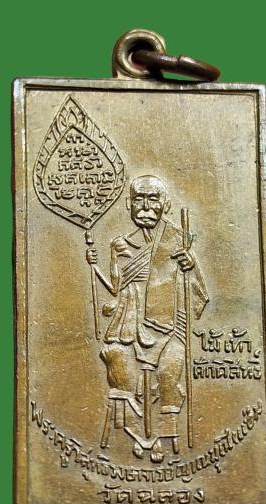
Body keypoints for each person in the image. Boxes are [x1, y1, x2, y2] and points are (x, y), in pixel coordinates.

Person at [86, 175, 209, 462]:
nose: (145, 206)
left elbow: (199, 293)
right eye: (139, 199)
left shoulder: (177, 240)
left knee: (169, 373)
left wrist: (190, 267)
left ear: (166, 205)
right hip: (128, 324)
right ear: (128, 204)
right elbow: (116, 288)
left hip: (170, 327)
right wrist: (103, 262)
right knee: (120, 366)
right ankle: (135, 435)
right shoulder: (121, 243)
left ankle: (164, 436)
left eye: (153, 199)